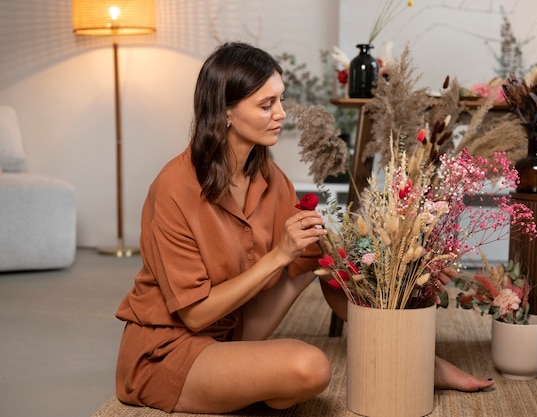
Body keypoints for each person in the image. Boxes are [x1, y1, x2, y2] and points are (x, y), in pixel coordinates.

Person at [115, 41, 494, 414]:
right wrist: (279, 255)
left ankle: (423, 363)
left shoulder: (269, 178)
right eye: (267, 105)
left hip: (235, 331)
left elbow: (328, 269)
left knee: (323, 259)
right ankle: (237, 382)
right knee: (309, 366)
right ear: (224, 112)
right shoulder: (173, 189)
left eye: (280, 100)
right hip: (171, 348)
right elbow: (195, 315)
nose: (281, 113)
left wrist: (408, 280)